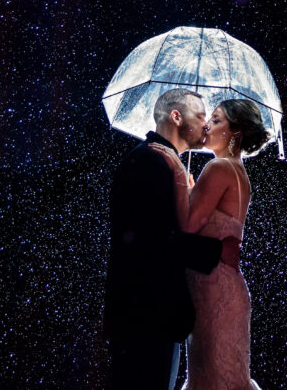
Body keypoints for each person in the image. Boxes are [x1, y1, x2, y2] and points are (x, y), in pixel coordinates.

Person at [104, 89, 242, 390]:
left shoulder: (165, 164)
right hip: (142, 317)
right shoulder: (149, 163)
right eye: (200, 116)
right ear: (176, 116)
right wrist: (217, 250)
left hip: (153, 316)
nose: (206, 125)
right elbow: (153, 241)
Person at [150, 98, 271, 390]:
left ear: (235, 133)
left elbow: (189, 226)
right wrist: (194, 193)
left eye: (216, 121)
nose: (207, 125)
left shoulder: (218, 169)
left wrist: (180, 182)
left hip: (212, 289)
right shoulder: (239, 173)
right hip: (226, 286)